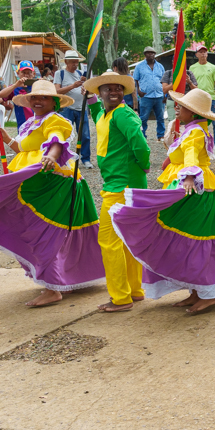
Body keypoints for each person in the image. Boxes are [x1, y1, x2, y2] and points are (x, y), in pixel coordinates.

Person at [0, 79, 104, 307]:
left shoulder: (55, 120)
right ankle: (59, 280)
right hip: (32, 182)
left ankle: (52, 287)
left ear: (54, 102)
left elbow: (56, 140)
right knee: (32, 229)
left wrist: (52, 155)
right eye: (34, 97)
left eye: (43, 97)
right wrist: (6, 139)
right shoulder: (31, 122)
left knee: (44, 231)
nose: (38, 101)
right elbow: (21, 148)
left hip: (53, 182)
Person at [111, 87, 215, 315]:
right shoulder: (191, 129)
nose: (177, 108)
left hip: (195, 192)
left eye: (182, 107)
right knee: (185, 240)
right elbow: (180, 153)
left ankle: (208, 294)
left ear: (193, 112)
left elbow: (191, 155)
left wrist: (189, 177)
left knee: (195, 240)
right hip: (189, 188)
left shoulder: (195, 133)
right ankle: (195, 290)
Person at [80, 70, 151, 313]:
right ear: (99, 93)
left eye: (118, 88)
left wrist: (144, 165)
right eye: (107, 88)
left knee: (109, 241)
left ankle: (120, 298)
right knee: (127, 240)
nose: (114, 92)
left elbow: (140, 144)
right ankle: (134, 290)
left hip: (122, 187)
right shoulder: (105, 113)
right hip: (118, 184)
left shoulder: (122, 114)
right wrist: (88, 97)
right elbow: (95, 113)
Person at [53, 49, 92, 169]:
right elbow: (56, 91)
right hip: (66, 108)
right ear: (66, 62)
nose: (75, 64)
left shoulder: (81, 73)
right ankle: (65, 158)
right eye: (72, 62)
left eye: (76, 62)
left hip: (82, 108)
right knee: (65, 135)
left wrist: (86, 89)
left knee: (85, 135)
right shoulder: (60, 74)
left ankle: (86, 159)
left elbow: (88, 90)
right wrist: (72, 86)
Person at [191, 45, 215, 152]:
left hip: (211, 98)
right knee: (198, 122)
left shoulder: (213, 67)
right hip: (198, 98)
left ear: (207, 54)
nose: (203, 54)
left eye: (205, 52)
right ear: (196, 55)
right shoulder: (192, 68)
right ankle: (201, 144)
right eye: (201, 52)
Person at [133, 47, 167, 140]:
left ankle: (161, 135)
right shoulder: (139, 66)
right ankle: (142, 136)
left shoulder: (160, 66)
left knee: (160, 117)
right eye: (148, 53)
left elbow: (164, 81)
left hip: (159, 95)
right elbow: (135, 79)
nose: (150, 54)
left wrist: (165, 95)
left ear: (155, 54)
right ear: (145, 54)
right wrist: (138, 91)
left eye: (152, 53)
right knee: (143, 117)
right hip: (146, 96)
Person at [0, 61, 38, 128]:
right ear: (18, 73)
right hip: (23, 125)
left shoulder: (38, 85)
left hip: (39, 123)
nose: (26, 75)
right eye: (23, 72)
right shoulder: (15, 88)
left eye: (29, 72)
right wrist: (15, 85)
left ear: (33, 74)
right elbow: (1, 95)